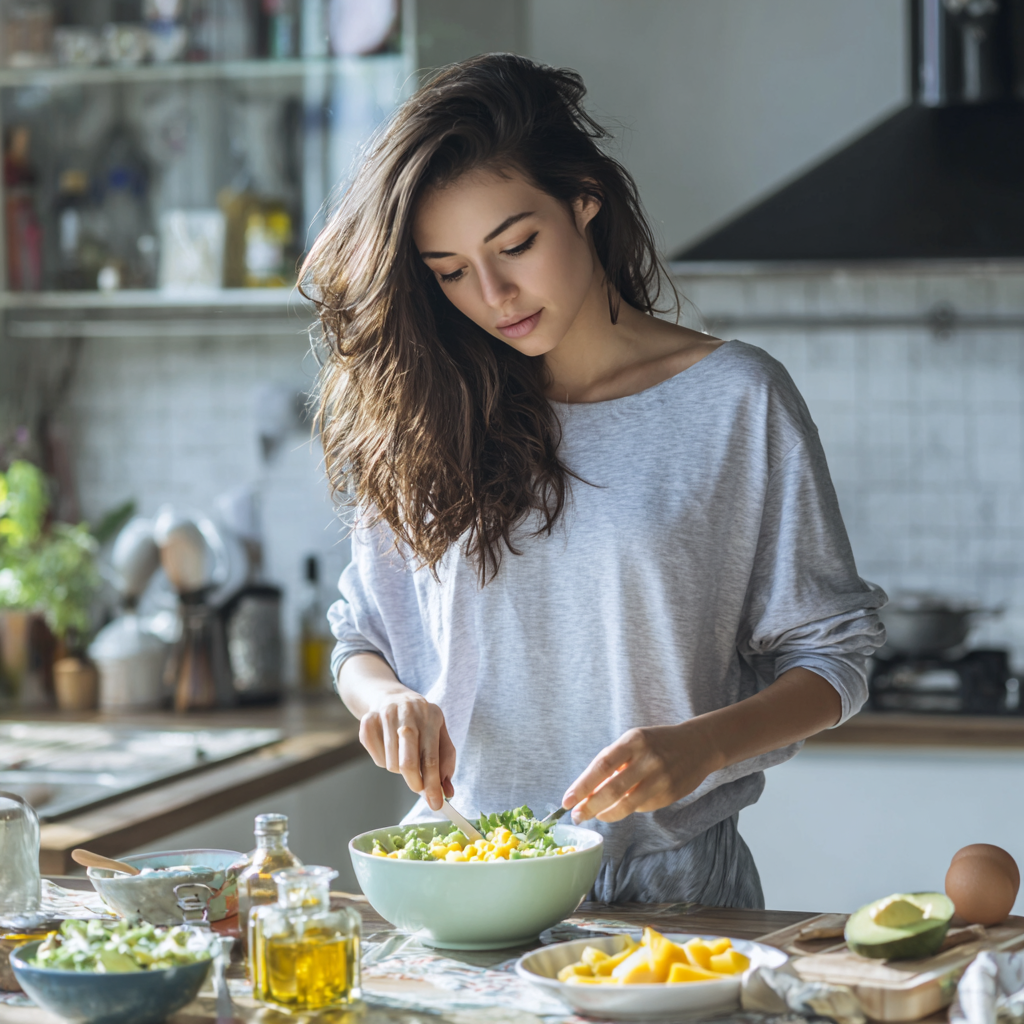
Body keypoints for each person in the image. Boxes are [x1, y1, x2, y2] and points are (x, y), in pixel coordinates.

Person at [303, 53, 885, 907]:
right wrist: (385, 699)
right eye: (451, 271)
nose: (495, 294)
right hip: (462, 883)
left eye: (516, 245)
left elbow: (835, 657)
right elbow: (361, 639)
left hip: (674, 899)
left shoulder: (735, 401)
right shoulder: (431, 408)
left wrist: (703, 746)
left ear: (583, 199)